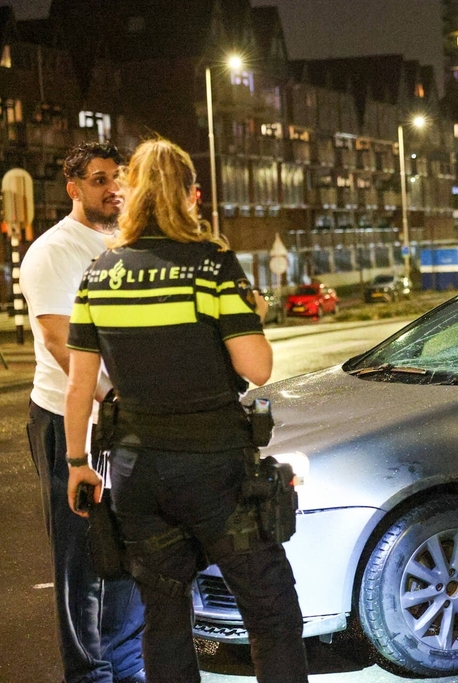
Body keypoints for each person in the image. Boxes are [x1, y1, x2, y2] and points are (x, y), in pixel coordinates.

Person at [62, 137, 308, 683]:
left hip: (136, 474)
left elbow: (78, 385)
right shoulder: (210, 265)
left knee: (165, 616)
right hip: (215, 471)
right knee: (271, 611)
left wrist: (77, 462)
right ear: (190, 196)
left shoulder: (100, 272)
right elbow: (257, 367)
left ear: (131, 194)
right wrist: (247, 309)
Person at [21, 142, 146, 683]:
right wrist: (109, 398)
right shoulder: (54, 251)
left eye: (118, 177)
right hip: (69, 419)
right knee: (81, 556)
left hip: (127, 420)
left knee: (129, 544)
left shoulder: (131, 242)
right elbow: (56, 339)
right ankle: (90, 673)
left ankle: (126, 663)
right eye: (98, 179)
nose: (112, 187)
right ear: (74, 189)